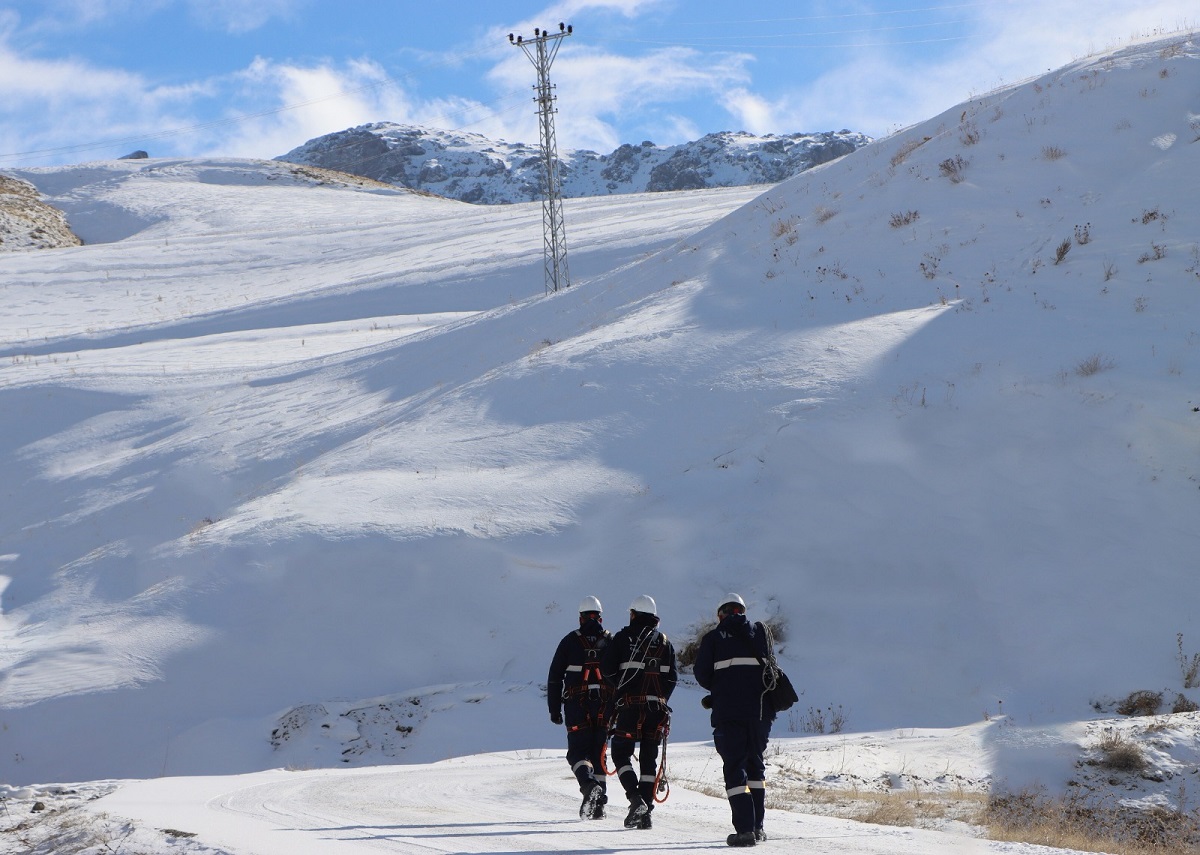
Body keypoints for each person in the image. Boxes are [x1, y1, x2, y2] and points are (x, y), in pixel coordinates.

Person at [693, 593, 776, 848]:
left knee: (735, 768)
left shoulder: (713, 638)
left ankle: (744, 831)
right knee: (755, 767)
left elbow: (702, 675)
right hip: (760, 714)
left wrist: (722, 687)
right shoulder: (760, 633)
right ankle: (758, 827)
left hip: (729, 715)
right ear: (742, 611)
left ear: (721, 615)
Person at [601, 594, 677, 830]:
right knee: (648, 760)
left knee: (621, 755)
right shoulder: (665, 643)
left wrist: (622, 691)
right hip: (656, 710)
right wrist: (659, 697)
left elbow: (607, 670)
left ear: (633, 614)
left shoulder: (623, 637)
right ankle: (646, 813)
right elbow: (671, 678)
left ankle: (636, 800)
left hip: (630, 707)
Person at [547, 595, 613, 819]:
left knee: (577, 753)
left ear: (581, 619)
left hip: (577, 705)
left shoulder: (569, 641)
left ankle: (588, 786)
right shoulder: (611, 641)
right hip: (605, 706)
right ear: (600, 619)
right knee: (599, 754)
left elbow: (555, 677)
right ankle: (599, 808)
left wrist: (554, 710)